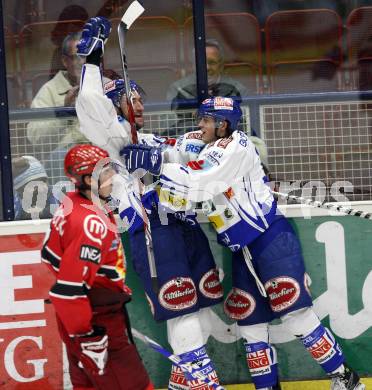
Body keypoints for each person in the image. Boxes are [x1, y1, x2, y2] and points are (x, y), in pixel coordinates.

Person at [121, 96, 365, 390]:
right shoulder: (206, 140)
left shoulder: (236, 147)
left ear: (223, 125)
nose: (200, 125)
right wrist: (137, 140)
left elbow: (200, 182)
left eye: (206, 120)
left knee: (296, 315)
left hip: (268, 240)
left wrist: (156, 163)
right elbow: (173, 145)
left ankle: (345, 379)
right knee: (250, 325)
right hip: (240, 248)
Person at [75, 17, 224, 390]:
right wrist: (93, 60)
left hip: (183, 228)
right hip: (152, 234)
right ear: (113, 106)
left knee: (203, 314)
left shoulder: (151, 140)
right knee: (183, 314)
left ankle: (179, 385)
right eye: (129, 97)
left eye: (141, 96)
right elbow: (90, 100)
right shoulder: (111, 137)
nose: (138, 102)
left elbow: (192, 156)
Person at [41, 143, 154, 390]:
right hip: (96, 323)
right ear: (86, 179)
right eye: (104, 173)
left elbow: (48, 256)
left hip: (80, 320)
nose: (112, 177)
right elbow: (69, 290)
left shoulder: (73, 205)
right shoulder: (90, 224)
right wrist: (88, 335)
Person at [27, 31, 89, 184]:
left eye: (86, 56)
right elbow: (35, 137)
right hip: (64, 165)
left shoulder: (106, 86)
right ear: (65, 61)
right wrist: (63, 112)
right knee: (59, 157)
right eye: (77, 56)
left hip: (100, 157)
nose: (82, 62)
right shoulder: (49, 91)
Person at [167, 38, 250, 110]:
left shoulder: (238, 89)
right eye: (202, 62)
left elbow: (246, 120)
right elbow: (169, 121)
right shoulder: (177, 89)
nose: (207, 68)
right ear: (193, 65)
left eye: (212, 62)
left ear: (221, 65)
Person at [12, 155, 58, 220]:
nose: (42, 188)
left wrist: (42, 213)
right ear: (20, 190)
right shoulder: (13, 209)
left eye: (43, 181)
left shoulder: (55, 198)